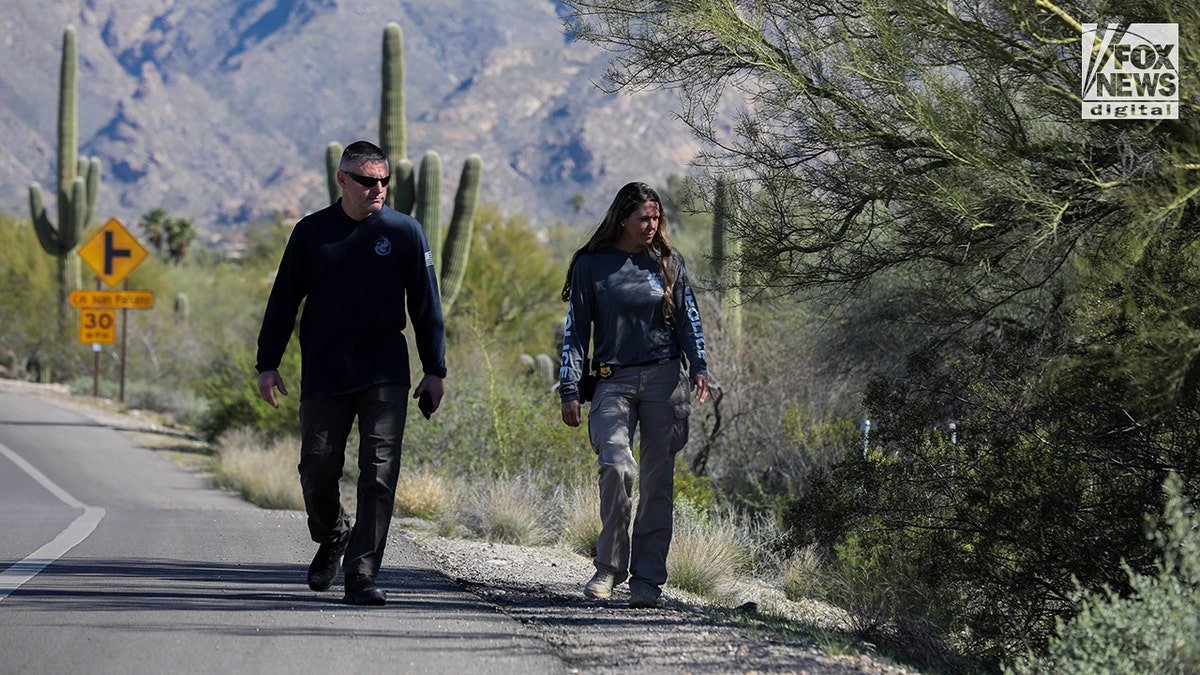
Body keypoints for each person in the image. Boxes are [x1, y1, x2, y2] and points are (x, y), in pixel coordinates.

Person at [254, 140, 446, 606]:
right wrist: (267, 363)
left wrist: (435, 368)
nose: (377, 189)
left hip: (384, 370)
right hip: (325, 369)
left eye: (383, 181)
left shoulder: (405, 232)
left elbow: (427, 304)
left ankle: (362, 574)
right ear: (343, 180)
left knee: (379, 471)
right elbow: (283, 300)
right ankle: (333, 533)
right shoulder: (311, 232)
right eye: (367, 180)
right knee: (317, 464)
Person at [558, 181, 710, 609]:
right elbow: (575, 333)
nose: (651, 225)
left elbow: (689, 320)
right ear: (622, 218)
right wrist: (569, 386)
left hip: (665, 379)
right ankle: (609, 566)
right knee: (616, 466)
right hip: (613, 381)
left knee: (658, 481)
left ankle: (647, 579)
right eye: (643, 218)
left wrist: (698, 366)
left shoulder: (668, 262)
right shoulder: (591, 265)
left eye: (656, 217)